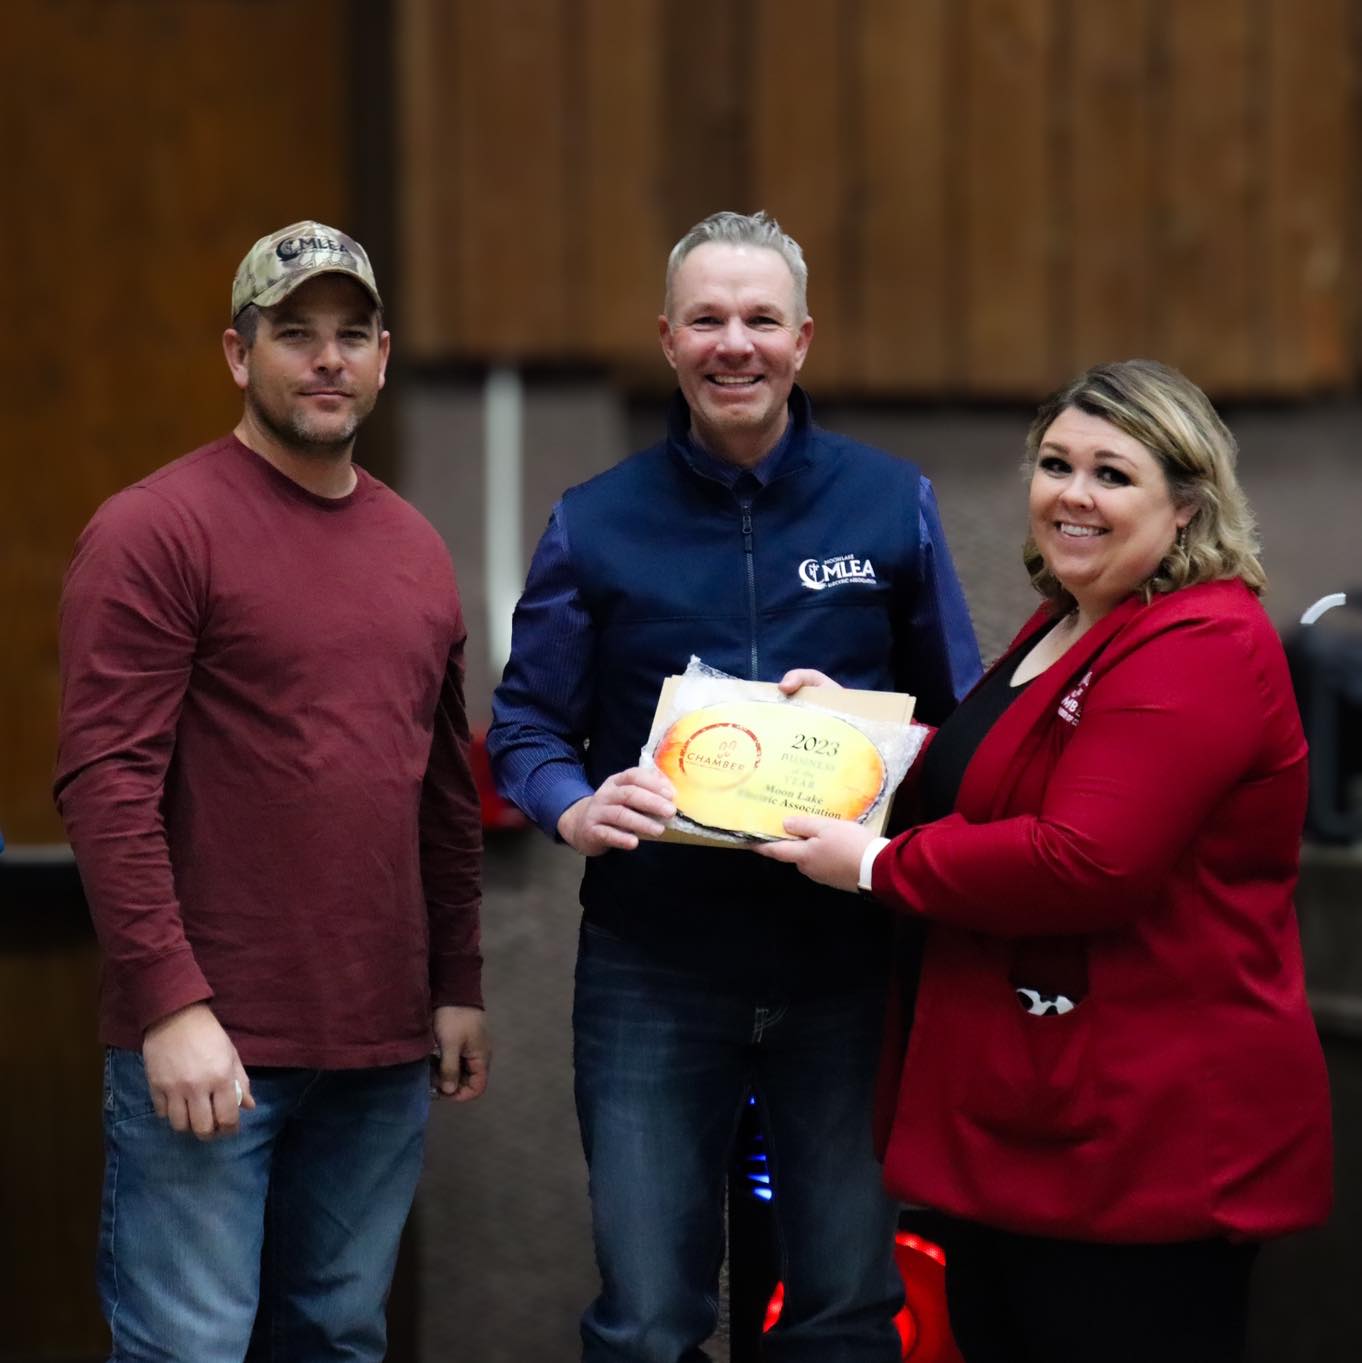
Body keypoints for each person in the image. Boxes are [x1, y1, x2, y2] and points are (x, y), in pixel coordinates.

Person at [759, 359, 1333, 1363]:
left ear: (1189, 505)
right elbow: (1009, 771)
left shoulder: (1200, 642)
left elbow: (1085, 859)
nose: (1073, 493)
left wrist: (877, 864)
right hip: (1037, 1126)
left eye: (1113, 474)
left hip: (1147, 1142)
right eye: (1056, 463)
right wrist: (860, 737)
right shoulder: (1076, 618)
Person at [488, 209, 981, 1362]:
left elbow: (963, 730)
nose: (735, 344)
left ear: (804, 340)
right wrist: (569, 803)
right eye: (707, 319)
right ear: (666, 338)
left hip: (844, 971)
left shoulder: (888, 502)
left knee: (848, 1312)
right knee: (650, 1319)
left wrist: (879, 740)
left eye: (761, 319)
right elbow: (524, 724)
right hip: (654, 967)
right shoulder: (595, 519)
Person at [54, 220, 488, 1363]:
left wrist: (457, 982)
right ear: (240, 356)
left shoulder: (415, 547)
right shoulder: (156, 530)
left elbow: (442, 791)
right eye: (296, 334)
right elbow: (106, 783)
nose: (328, 359)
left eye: (352, 335)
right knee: (190, 1347)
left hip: (383, 1047)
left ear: (386, 357)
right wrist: (169, 1005)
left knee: (337, 1338)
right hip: (213, 1046)